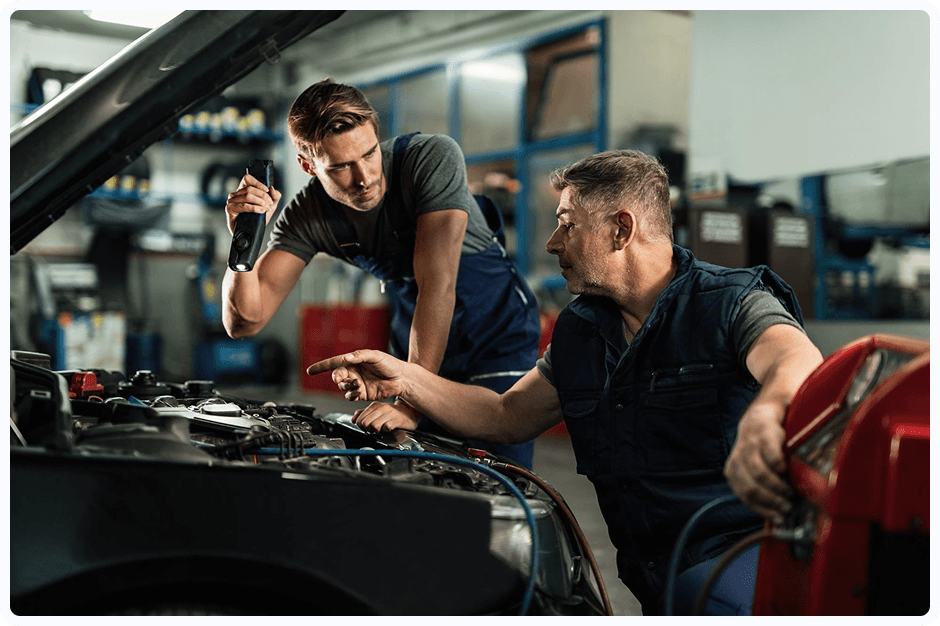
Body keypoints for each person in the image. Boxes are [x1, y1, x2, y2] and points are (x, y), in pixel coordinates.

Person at [306, 150, 824, 615]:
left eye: (567, 224)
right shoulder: (582, 328)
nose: (553, 242)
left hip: (741, 565)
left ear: (622, 229)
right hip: (653, 577)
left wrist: (768, 410)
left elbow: (795, 359)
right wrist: (408, 378)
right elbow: (506, 416)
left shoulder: (728, 301)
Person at [221, 78, 540, 468]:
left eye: (370, 153)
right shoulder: (308, 215)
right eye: (340, 167)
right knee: (419, 471)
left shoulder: (429, 159)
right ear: (308, 166)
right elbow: (244, 322)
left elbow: (437, 285)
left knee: (497, 473)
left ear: (377, 135)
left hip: (495, 338)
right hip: (417, 345)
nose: (365, 177)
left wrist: (410, 399)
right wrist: (244, 240)